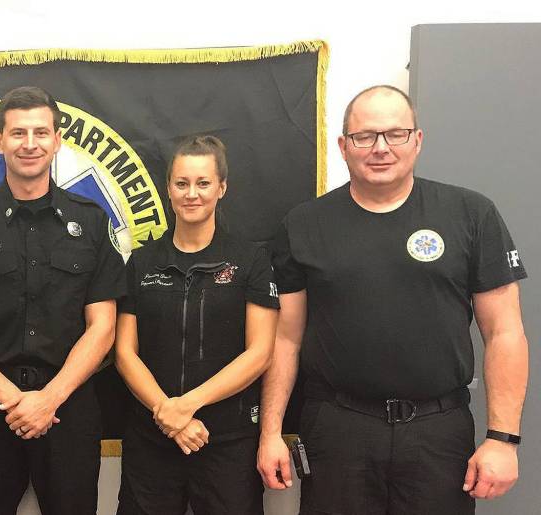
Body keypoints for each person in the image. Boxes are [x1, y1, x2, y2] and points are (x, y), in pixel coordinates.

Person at [256, 85, 529, 514]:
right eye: (365, 137)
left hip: (438, 431)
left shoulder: (471, 214)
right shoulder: (303, 225)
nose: (380, 148)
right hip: (338, 430)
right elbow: (286, 338)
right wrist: (270, 432)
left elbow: (505, 332)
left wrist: (503, 439)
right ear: (343, 147)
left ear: (417, 140)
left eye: (395, 134)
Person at [0, 86, 125, 515]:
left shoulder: (91, 222)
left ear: (57, 141)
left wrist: (49, 399)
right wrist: (14, 400)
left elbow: (104, 327)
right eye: (18, 133)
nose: (30, 144)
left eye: (41, 132)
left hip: (68, 405)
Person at [114, 135, 279, 514]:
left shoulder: (251, 260)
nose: (192, 194)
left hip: (227, 440)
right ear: (168, 189)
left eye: (203, 183)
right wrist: (167, 414)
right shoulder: (141, 263)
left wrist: (187, 406)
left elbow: (260, 352)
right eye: (181, 183)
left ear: (221, 188)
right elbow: (125, 352)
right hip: (152, 438)